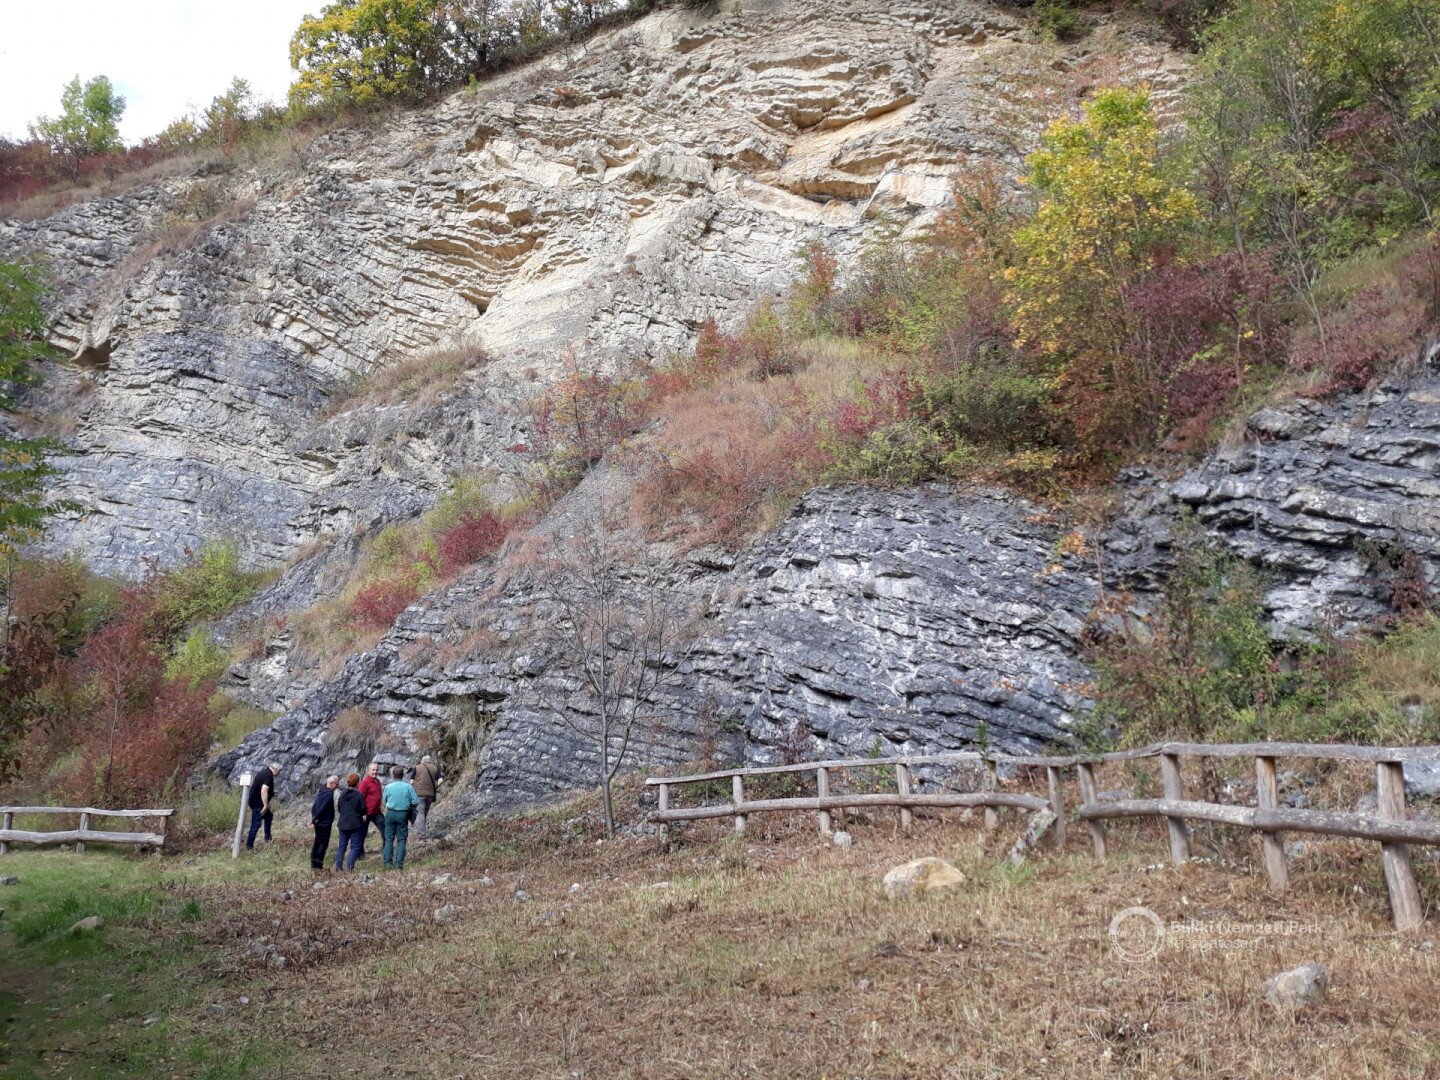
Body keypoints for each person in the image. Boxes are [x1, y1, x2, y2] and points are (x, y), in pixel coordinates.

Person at [381, 765, 419, 871]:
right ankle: (398, 864)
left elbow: (384, 800)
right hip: (403, 814)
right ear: (402, 775)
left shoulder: (388, 787)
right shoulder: (408, 787)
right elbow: (415, 801)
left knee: (389, 839)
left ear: (393, 775)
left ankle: (387, 864)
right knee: (401, 839)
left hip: (390, 814)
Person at [334, 773, 367, 871]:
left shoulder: (342, 794)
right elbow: (363, 810)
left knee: (342, 847)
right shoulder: (359, 795)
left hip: (343, 823)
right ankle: (349, 867)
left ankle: (338, 867)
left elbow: (339, 808)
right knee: (355, 847)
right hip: (355, 824)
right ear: (358, 783)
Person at [245, 761, 280, 849]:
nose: (279, 774)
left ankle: (267, 838)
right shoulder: (268, 776)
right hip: (258, 804)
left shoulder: (263, 772)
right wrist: (265, 805)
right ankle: (249, 847)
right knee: (255, 825)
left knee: (269, 816)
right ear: (275, 769)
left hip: (255, 801)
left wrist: (267, 804)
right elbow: (264, 790)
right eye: (279, 771)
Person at [310, 774, 338, 871]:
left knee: (317, 842)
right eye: (336, 784)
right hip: (325, 823)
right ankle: (318, 866)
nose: (337, 786)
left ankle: (313, 865)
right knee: (323, 844)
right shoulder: (329, 794)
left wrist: (314, 818)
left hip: (318, 823)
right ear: (332, 783)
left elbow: (314, 806)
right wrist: (314, 819)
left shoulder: (321, 791)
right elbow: (323, 807)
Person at [412, 754, 443, 839]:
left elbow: (411, 781)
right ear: (430, 761)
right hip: (430, 794)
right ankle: (421, 830)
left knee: (420, 813)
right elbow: (441, 780)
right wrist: (435, 786)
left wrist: (414, 788)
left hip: (419, 794)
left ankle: (422, 834)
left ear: (422, 761)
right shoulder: (435, 768)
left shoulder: (417, 767)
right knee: (424, 812)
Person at [357, 761, 384, 858]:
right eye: (373, 770)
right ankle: (360, 854)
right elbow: (359, 798)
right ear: (368, 771)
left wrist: (380, 805)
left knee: (385, 829)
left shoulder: (378, 782)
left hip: (376, 812)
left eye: (376, 770)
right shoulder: (364, 782)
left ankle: (386, 850)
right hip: (366, 813)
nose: (375, 772)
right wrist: (362, 812)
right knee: (362, 833)